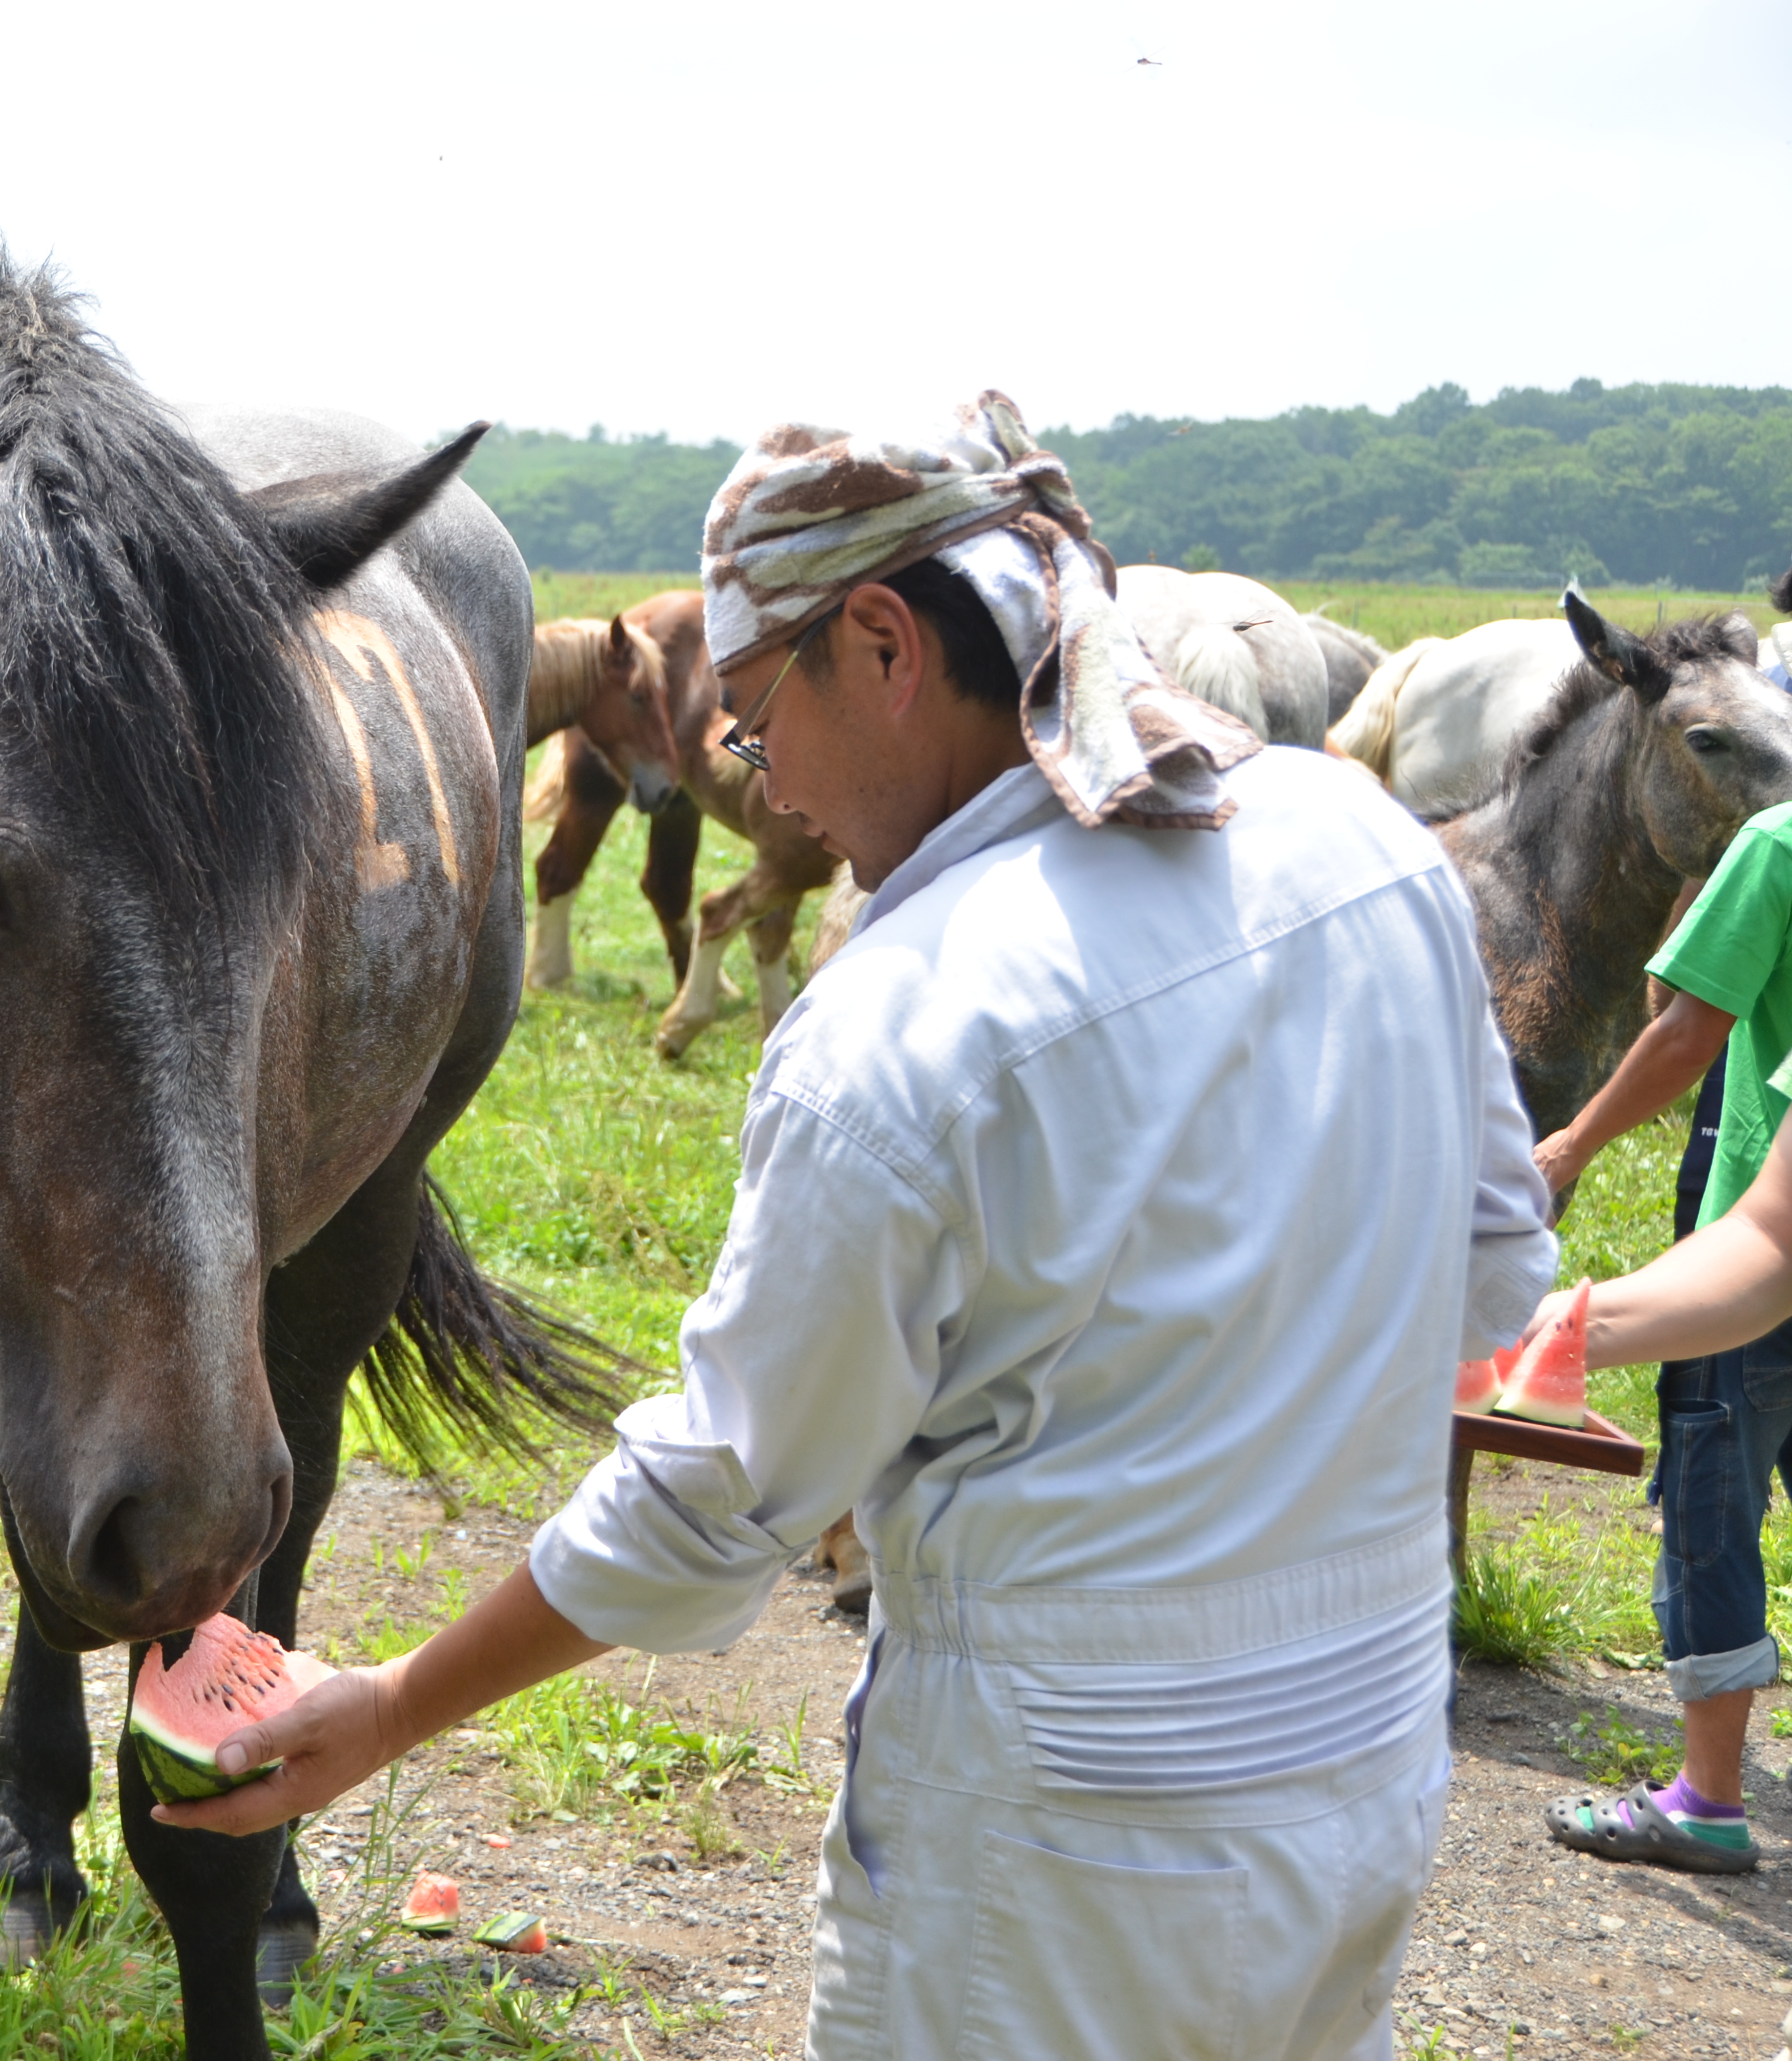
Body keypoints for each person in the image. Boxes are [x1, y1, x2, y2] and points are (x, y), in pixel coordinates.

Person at [158, 395, 1556, 2058]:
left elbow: (720, 1493)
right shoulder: (1366, 846)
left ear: (883, 644)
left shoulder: (912, 1012)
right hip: (1370, 1761)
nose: (769, 782)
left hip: (1063, 1841)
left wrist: (388, 1706)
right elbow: (1489, 1274)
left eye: (755, 718)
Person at [1526, 794, 1792, 1873]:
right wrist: (1572, 1327)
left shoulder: (1774, 843)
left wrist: (1569, 1148)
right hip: (1743, 1249)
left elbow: (1681, 1021)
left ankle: (1707, 1796)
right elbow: (1774, 1238)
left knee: (1713, 1492)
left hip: (1734, 1253)